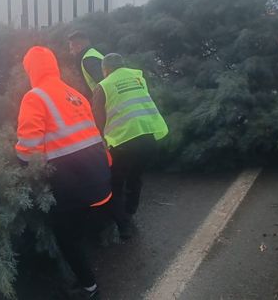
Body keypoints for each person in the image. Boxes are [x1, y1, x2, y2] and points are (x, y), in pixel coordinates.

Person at [15, 46, 112, 299]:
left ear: (31, 70)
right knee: (77, 231)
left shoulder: (35, 97)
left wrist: (20, 166)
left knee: (66, 236)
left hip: (72, 183)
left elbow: (28, 152)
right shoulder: (75, 94)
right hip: (100, 175)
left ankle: (89, 287)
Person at [92, 53, 168, 239]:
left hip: (124, 143)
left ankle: (124, 226)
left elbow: (97, 120)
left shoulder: (103, 86)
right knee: (135, 177)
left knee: (115, 185)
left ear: (106, 69)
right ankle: (130, 211)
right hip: (148, 138)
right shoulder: (137, 77)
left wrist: (100, 142)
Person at [68, 30, 105, 95]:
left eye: (71, 49)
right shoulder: (94, 54)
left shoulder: (89, 60)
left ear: (79, 47)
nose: (71, 52)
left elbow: (103, 86)